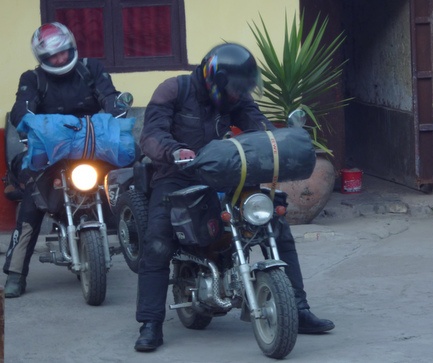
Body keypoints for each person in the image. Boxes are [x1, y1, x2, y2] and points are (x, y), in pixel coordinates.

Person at [135, 42, 335, 352]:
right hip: (178, 174)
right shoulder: (174, 90)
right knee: (158, 240)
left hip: (227, 173)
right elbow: (151, 134)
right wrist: (173, 150)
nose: (237, 96)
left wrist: (280, 144)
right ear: (213, 79)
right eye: (233, 90)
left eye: (240, 91)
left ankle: (298, 309)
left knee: (274, 223)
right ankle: (150, 323)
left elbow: (259, 126)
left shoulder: (235, 97)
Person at [3, 22, 126, 298]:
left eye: (63, 52)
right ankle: (15, 272)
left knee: (131, 179)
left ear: (71, 47)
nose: (59, 59)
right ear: (42, 59)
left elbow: (109, 96)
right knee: (33, 201)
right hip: (50, 152)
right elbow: (21, 108)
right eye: (52, 57)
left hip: (90, 146)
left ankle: (140, 247)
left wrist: (116, 108)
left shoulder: (90, 69)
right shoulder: (32, 79)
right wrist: (25, 117)